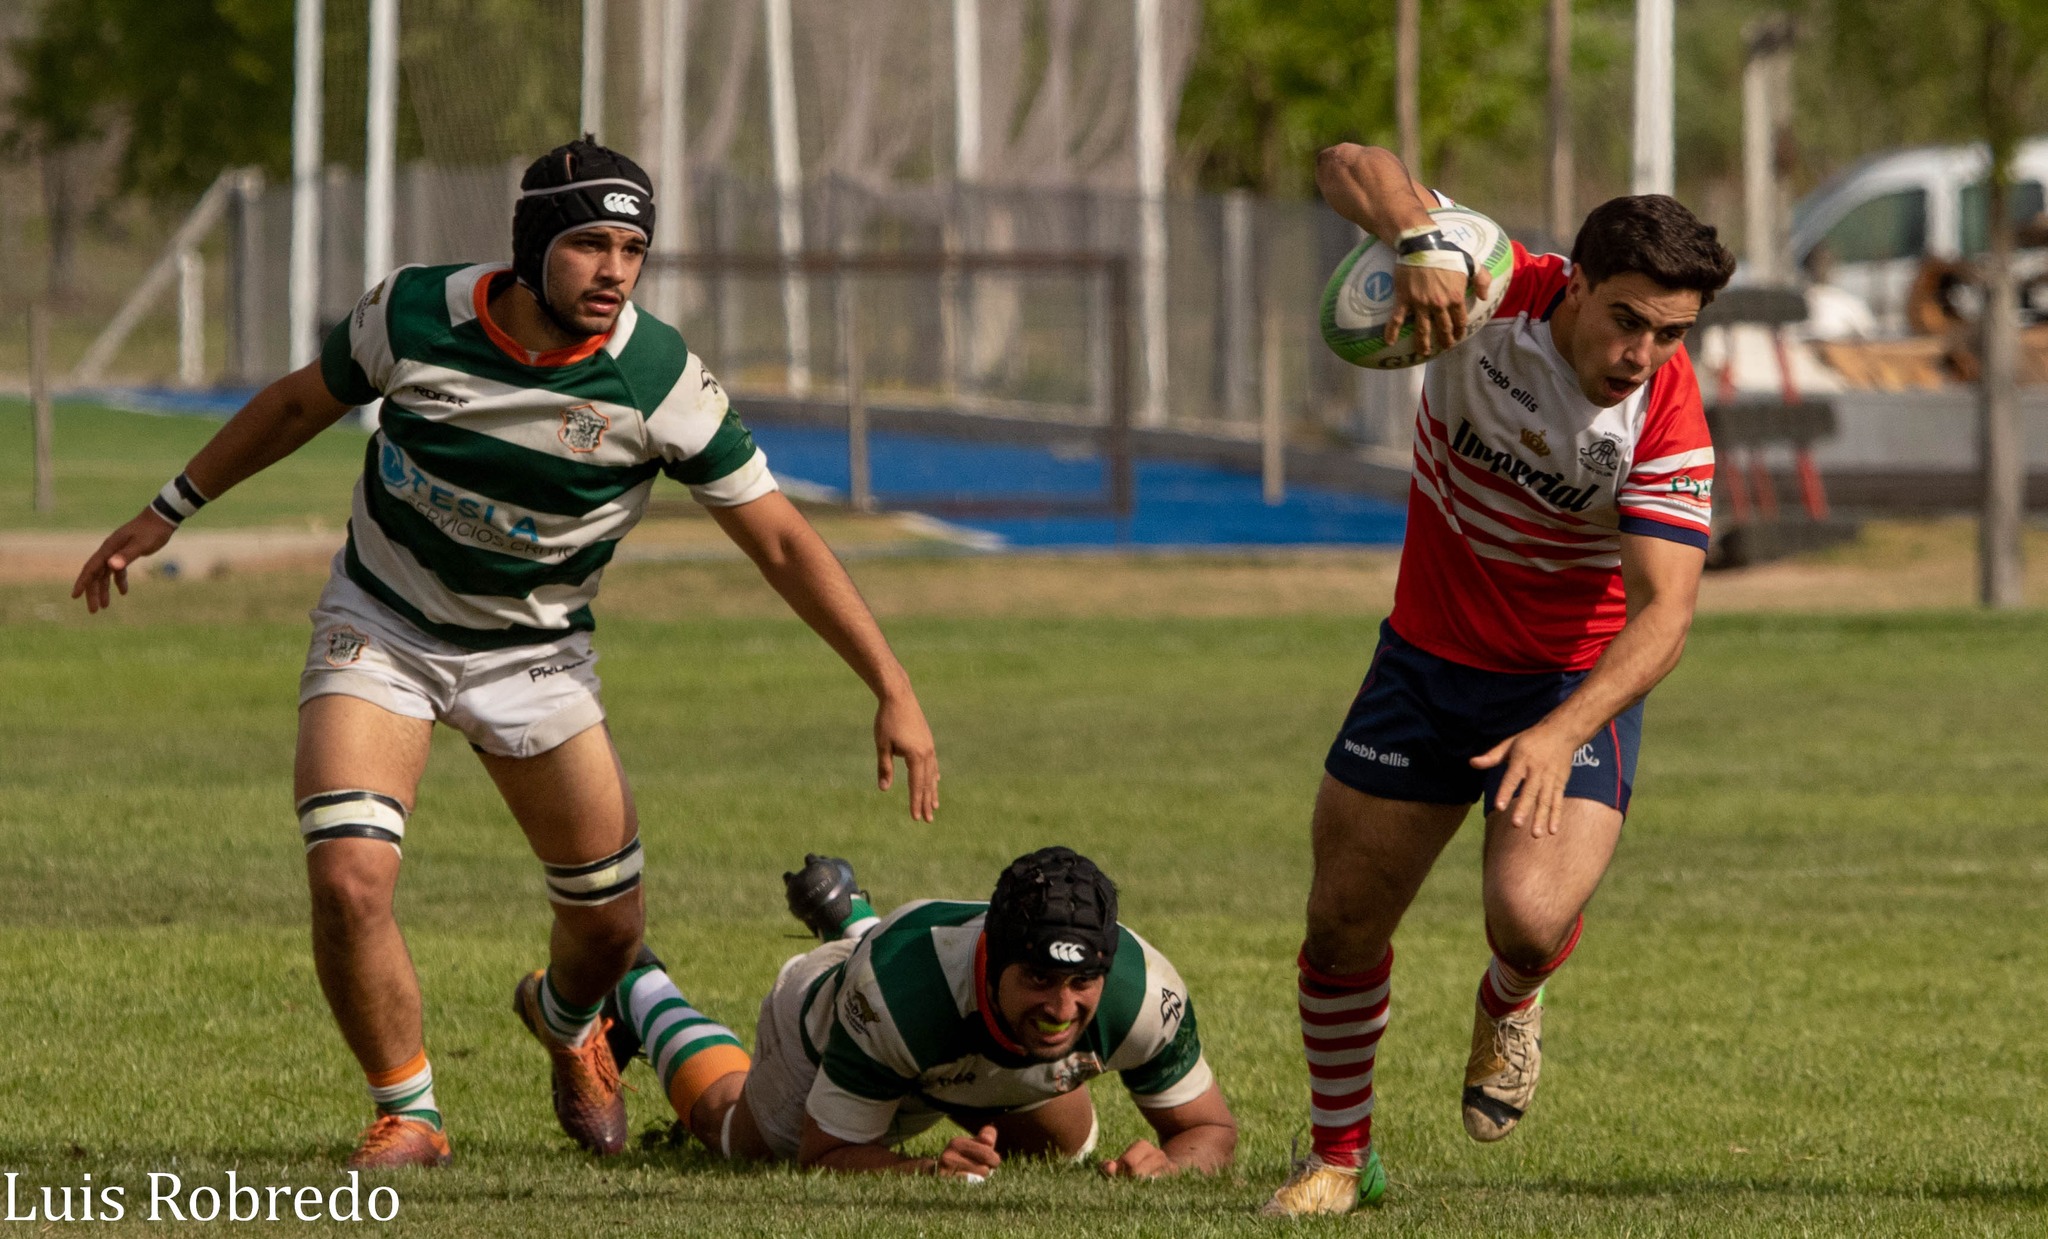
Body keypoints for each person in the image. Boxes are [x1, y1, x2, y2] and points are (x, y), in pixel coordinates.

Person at [70, 137, 940, 1170]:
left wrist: (891, 686)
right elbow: (303, 401)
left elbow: (785, 541)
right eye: (588, 245)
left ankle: (572, 1025)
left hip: (536, 658)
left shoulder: (658, 377)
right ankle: (411, 1112)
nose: (613, 270)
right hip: (383, 626)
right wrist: (169, 509)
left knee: (610, 930)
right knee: (349, 878)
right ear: (532, 250)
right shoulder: (415, 314)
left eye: (631, 248)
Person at [1262, 144, 1733, 1217]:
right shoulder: (1487, 280)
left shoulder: (1663, 422)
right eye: (1627, 320)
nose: (1642, 353)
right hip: (1424, 660)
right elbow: (1345, 164)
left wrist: (1559, 729)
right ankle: (1339, 1158)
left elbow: (1665, 616)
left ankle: (1511, 999)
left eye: (1671, 334)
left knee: (1522, 919)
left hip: (1570, 682)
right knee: (1340, 921)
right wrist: (1415, 238)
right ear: (1572, 280)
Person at [601, 848, 1237, 1178]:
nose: (1061, 1008)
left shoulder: (1144, 990)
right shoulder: (898, 996)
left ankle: (850, 914)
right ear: (992, 960)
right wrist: (929, 1169)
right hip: (842, 1018)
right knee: (736, 1134)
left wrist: (1169, 1166)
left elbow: (1210, 1132)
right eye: (1039, 977)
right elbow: (827, 1156)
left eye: (1082, 982)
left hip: (959, 1032)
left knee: (1063, 1150)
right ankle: (639, 988)